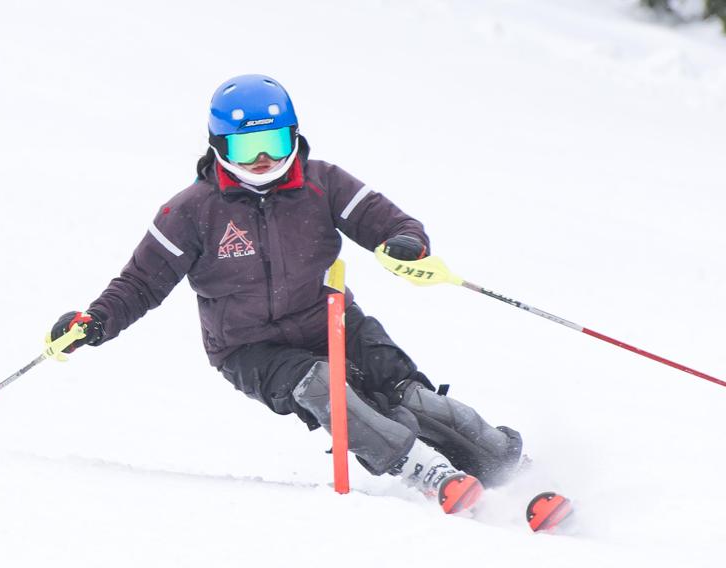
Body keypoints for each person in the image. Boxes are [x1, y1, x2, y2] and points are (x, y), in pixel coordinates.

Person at [50, 74, 523, 514]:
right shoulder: (191, 211)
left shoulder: (323, 182)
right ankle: (427, 471)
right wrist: (96, 322)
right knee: (322, 386)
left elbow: (390, 223)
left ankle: (509, 468)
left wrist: (406, 244)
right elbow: (140, 283)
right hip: (250, 347)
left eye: (275, 143)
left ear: (293, 136)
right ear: (219, 146)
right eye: (246, 147)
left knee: (410, 396)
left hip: (333, 320)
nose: (263, 159)